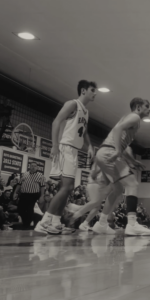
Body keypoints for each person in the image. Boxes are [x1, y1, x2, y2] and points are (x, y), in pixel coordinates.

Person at [37, 80, 98, 234]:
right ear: (83, 91)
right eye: (92, 90)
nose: (95, 93)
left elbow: (83, 132)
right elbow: (56, 122)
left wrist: (89, 146)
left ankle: (56, 223)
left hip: (75, 150)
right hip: (66, 148)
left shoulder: (86, 111)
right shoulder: (73, 104)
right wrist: (55, 145)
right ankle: (44, 221)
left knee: (67, 188)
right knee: (68, 187)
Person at [91, 98, 150, 236]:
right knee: (132, 184)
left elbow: (122, 143)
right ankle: (131, 224)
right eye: (147, 106)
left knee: (118, 189)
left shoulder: (130, 119)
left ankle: (101, 223)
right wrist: (118, 150)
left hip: (103, 153)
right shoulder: (135, 117)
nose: (149, 109)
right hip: (110, 153)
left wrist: (132, 161)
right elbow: (118, 130)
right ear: (138, 107)